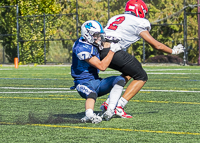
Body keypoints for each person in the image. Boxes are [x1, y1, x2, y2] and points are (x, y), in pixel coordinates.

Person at [99, 0, 184, 118]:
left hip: (100, 49)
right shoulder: (139, 21)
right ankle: (119, 106)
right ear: (139, 10)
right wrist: (173, 51)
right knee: (141, 76)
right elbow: (156, 45)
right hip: (113, 50)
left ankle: (109, 103)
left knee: (129, 73)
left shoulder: (116, 17)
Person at [71, 20, 126, 124]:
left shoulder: (88, 41)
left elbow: (102, 44)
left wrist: (111, 41)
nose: (99, 38)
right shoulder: (81, 48)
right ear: (87, 34)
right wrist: (112, 51)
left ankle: (110, 110)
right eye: (96, 35)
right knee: (92, 93)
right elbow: (102, 66)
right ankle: (89, 115)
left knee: (119, 80)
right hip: (82, 82)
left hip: (96, 81)